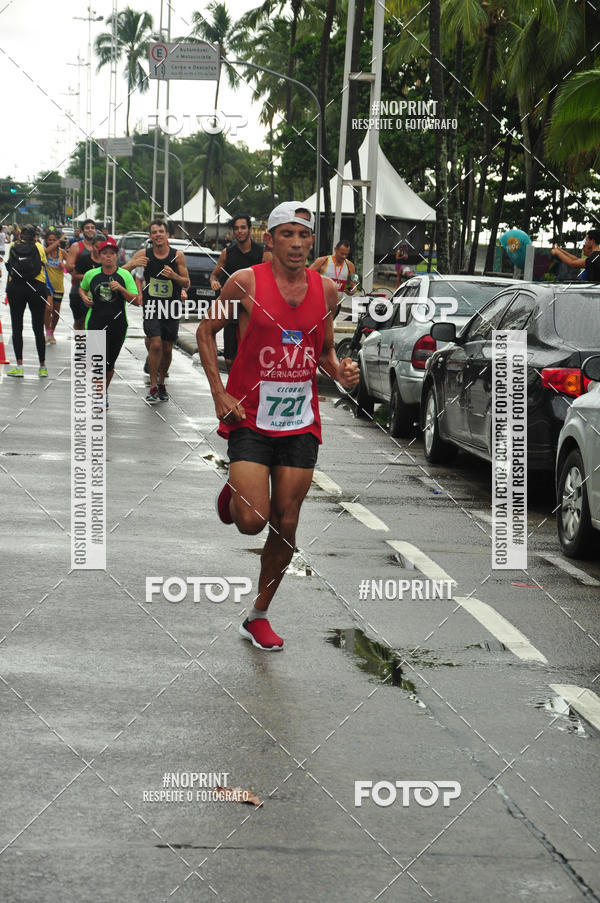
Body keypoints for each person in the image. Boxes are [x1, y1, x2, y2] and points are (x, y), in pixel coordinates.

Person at [197, 202, 359, 650]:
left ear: (312, 242)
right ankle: (236, 495)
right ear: (270, 241)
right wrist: (219, 393)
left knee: (286, 523)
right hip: (249, 417)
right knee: (252, 522)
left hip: (300, 422)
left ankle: (259, 614)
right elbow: (205, 331)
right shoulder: (245, 282)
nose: (295, 243)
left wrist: (339, 372)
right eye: (286, 234)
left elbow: (323, 353)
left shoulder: (326, 290)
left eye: (303, 235)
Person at [129, 220, 190, 404]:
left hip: (171, 307)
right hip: (152, 307)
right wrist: (132, 267)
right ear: (150, 236)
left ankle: (162, 382)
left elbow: (186, 282)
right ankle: (153, 386)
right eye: (154, 232)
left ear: (167, 235)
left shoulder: (177, 256)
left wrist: (174, 276)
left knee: (168, 348)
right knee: (155, 345)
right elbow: (122, 271)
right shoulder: (144, 254)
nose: (158, 235)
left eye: (161, 231)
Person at [79, 240, 140, 406]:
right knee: (96, 360)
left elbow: (136, 301)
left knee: (109, 363)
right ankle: (99, 394)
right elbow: (82, 287)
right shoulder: (91, 274)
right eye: (105, 253)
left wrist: (120, 289)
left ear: (116, 256)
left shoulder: (125, 275)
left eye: (111, 253)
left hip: (118, 324)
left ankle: (103, 392)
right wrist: (84, 298)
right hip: (95, 321)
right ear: (100, 255)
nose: (108, 256)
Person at [210, 215, 266, 369]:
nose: (239, 231)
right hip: (231, 309)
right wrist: (214, 281)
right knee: (229, 360)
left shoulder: (261, 253)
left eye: (243, 227)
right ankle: (232, 390)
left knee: (249, 356)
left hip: (252, 309)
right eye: (236, 228)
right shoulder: (227, 253)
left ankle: (245, 390)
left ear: (249, 229)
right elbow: (215, 275)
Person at [5, 223, 49, 377]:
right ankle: (42, 367)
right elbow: (43, 265)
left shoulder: (12, 245)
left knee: (17, 326)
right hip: (36, 288)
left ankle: (19, 366)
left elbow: (9, 266)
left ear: (20, 235)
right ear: (36, 236)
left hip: (16, 288)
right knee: (38, 328)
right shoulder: (39, 247)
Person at [309, 240, 357, 316]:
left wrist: (351, 290)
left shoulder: (350, 265)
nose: (344, 256)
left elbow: (355, 286)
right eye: (342, 253)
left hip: (336, 305)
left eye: (346, 254)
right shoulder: (323, 261)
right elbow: (306, 276)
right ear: (335, 249)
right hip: (320, 303)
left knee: (328, 326)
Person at [66, 218, 98, 329]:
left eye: (92, 228)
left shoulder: (102, 246)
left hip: (97, 291)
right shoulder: (76, 246)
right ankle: (80, 345)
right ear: (82, 231)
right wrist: (88, 275)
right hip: (78, 289)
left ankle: (94, 346)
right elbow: (69, 267)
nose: (90, 230)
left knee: (93, 322)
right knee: (80, 322)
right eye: (87, 228)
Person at [44, 232, 67, 344]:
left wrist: (63, 267)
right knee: (48, 308)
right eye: (50, 240)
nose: (51, 242)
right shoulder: (45, 252)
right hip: (47, 286)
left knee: (56, 312)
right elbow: (46, 251)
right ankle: (47, 333)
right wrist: (59, 240)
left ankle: (52, 332)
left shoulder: (62, 253)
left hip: (59, 287)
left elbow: (69, 269)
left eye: (54, 240)